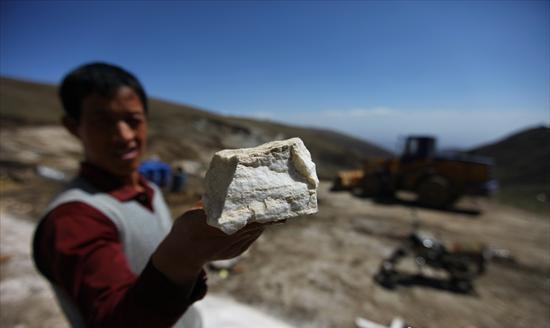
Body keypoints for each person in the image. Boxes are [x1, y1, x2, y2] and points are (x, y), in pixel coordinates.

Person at [32, 62, 264, 327]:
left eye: (133, 120)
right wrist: (183, 257)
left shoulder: (148, 189)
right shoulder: (73, 220)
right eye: (102, 122)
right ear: (73, 126)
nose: (124, 136)